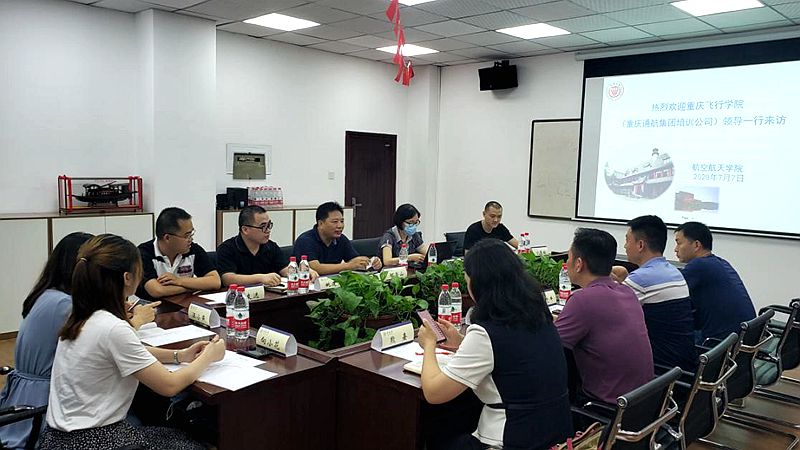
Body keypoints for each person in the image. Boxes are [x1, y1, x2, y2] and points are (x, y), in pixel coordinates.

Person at [38, 234, 226, 450]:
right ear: (127, 278)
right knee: (193, 443)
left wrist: (179, 355)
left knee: (174, 431)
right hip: (94, 440)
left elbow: (129, 352)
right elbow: (170, 385)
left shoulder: (84, 316)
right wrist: (209, 356)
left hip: (59, 438)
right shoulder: (112, 328)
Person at [418, 239, 573, 450]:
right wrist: (462, 343)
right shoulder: (538, 314)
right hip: (555, 434)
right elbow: (509, 354)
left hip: (513, 440)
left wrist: (429, 344)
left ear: (479, 284)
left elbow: (434, 393)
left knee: (436, 434)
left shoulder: (486, 331)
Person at [556, 228, 654, 405]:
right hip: (643, 403)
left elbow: (551, 345)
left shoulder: (582, 300)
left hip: (606, 408)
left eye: (569, 258)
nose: (567, 263)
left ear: (578, 264)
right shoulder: (627, 292)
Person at [614, 215, 696, 371]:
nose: (625, 246)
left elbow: (605, 313)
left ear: (640, 245)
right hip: (681, 363)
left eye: (627, 240)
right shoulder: (673, 272)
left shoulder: (640, 279)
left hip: (660, 369)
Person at [674, 221, 756, 343]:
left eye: (679, 243)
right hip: (745, 338)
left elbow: (669, 292)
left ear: (696, 245)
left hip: (720, 344)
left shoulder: (699, 265)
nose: (675, 249)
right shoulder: (720, 262)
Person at [217, 205, 318, 286]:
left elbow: (284, 269)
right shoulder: (227, 248)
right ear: (245, 230)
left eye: (269, 225)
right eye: (263, 227)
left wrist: (303, 271)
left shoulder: (271, 246)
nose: (268, 230)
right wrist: (261, 278)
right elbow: (227, 279)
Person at [137, 207, 220, 298]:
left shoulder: (192, 249)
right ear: (167, 238)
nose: (190, 239)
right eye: (186, 236)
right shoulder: (143, 253)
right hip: (153, 306)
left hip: (185, 304)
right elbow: (157, 291)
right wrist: (193, 287)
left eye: (191, 234)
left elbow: (215, 281)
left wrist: (179, 281)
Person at [293, 201, 381, 275]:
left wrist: (370, 262)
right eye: (335, 222)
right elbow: (316, 268)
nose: (340, 226)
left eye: (342, 221)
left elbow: (354, 259)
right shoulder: (305, 240)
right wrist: (348, 266)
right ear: (321, 224)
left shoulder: (341, 239)